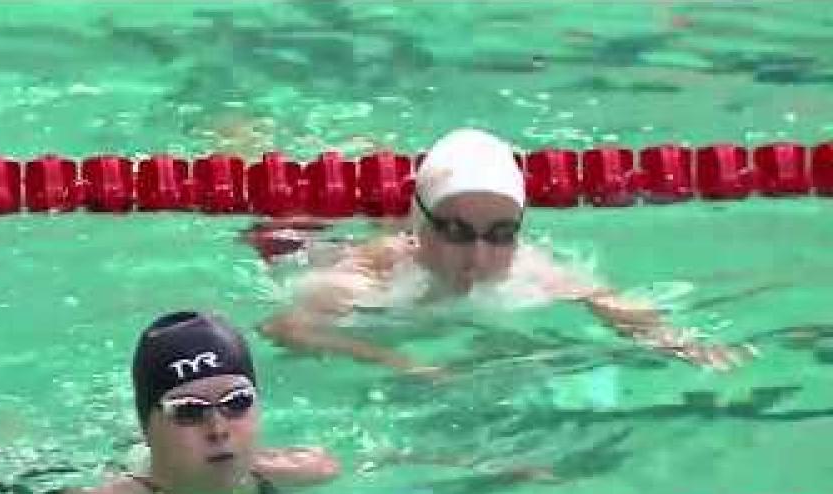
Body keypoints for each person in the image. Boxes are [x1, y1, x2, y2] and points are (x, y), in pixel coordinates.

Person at [260, 128, 754, 377]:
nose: (478, 255)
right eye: (456, 232)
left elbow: (606, 299)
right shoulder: (369, 283)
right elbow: (284, 327)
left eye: (500, 234)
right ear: (422, 228)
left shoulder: (530, 269)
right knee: (282, 217)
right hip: (315, 248)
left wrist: (678, 341)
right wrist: (397, 361)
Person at [37, 310, 341, 494]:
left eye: (237, 402)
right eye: (188, 411)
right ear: (147, 428)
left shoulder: (308, 472)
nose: (218, 429)